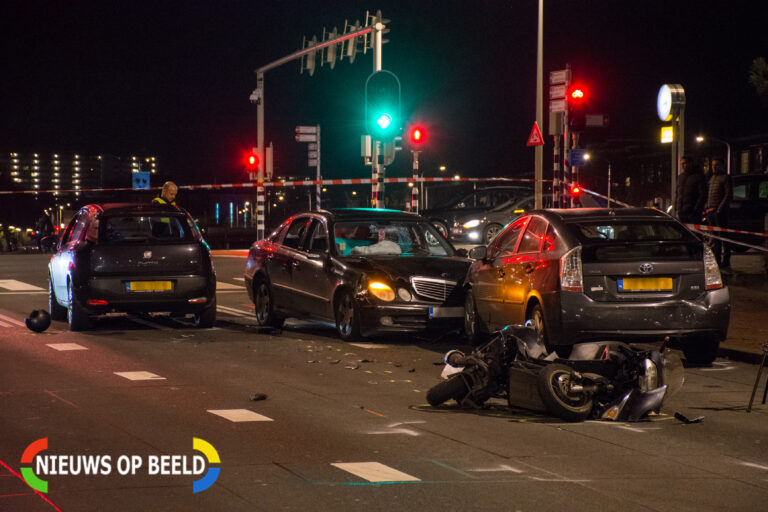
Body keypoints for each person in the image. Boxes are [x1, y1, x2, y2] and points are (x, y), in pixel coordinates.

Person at [705, 157, 732, 268]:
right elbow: (709, 194)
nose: (714, 167)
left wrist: (720, 209)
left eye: (717, 165)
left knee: (723, 237)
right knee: (715, 238)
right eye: (713, 165)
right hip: (711, 211)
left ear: (722, 166)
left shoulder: (726, 178)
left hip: (719, 212)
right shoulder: (712, 179)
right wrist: (707, 206)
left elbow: (728, 194)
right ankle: (717, 259)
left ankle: (726, 260)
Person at [674, 155, 707, 224]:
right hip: (681, 211)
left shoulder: (699, 176)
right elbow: (677, 193)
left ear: (691, 163)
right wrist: (676, 206)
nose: (683, 166)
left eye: (685, 163)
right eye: (682, 164)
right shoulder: (681, 177)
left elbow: (703, 195)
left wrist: (696, 209)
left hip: (692, 212)